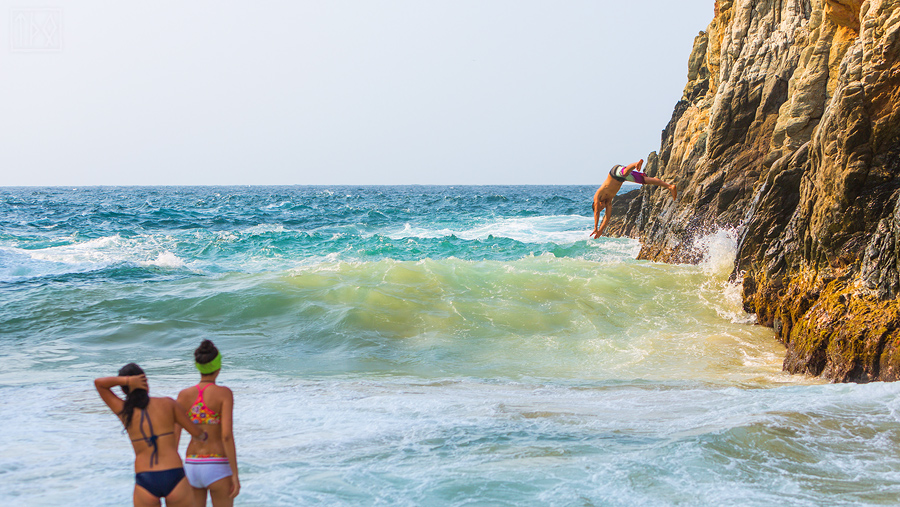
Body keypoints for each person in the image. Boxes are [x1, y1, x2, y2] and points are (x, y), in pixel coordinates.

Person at [95, 363, 208, 507]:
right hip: (174, 475)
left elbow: (99, 384)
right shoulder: (168, 404)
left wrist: (128, 381)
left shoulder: (124, 411)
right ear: (145, 382)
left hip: (145, 478)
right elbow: (196, 433)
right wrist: (204, 436)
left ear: (124, 390)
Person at [176, 340, 240, 506]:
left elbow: (174, 437)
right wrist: (235, 474)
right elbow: (226, 436)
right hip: (217, 463)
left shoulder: (184, 395)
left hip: (192, 463)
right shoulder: (224, 394)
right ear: (218, 367)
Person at [591, 159, 677, 238]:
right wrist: (600, 230)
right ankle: (670, 187)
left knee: (625, 172)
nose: (602, 206)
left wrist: (595, 227)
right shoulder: (609, 202)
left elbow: (597, 211)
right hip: (622, 179)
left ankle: (636, 164)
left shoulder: (598, 196)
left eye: (600, 206)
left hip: (614, 173)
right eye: (603, 208)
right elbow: (607, 217)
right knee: (645, 180)